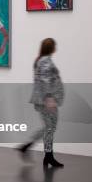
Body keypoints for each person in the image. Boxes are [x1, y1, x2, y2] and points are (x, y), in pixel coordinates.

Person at [17, 38, 64, 167]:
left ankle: (43, 154)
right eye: (55, 45)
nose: (56, 47)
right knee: (50, 128)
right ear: (51, 48)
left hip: (45, 100)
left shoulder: (42, 60)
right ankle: (45, 155)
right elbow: (45, 80)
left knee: (49, 128)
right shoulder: (45, 61)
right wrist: (49, 98)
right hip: (46, 101)